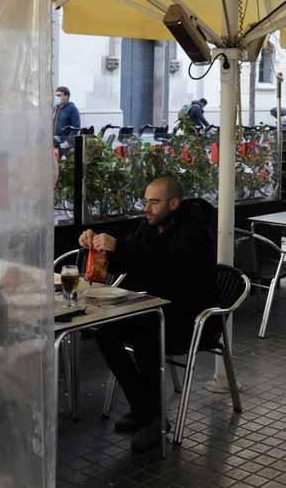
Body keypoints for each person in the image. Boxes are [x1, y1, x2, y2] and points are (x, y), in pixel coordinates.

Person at [78, 177, 215, 453]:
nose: (147, 208)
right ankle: (147, 410)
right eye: (146, 201)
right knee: (105, 332)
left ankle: (151, 418)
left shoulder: (196, 232)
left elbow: (169, 265)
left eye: (154, 202)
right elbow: (132, 256)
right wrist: (101, 247)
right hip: (153, 310)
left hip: (191, 318)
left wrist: (122, 247)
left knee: (145, 336)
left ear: (173, 204)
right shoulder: (149, 226)